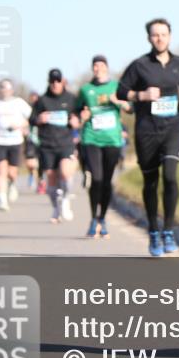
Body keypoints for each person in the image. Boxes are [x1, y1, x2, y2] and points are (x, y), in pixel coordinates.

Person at [117, 18, 179, 256]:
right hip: (146, 129)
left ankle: (168, 231)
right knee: (150, 181)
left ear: (170, 36)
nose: (159, 38)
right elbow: (121, 92)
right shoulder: (139, 65)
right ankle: (153, 230)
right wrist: (141, 95)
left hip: (173, 126)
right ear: (149, 38)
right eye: (155, 35)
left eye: (163, 34)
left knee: (170, 176)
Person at [76, 55, 130, 238]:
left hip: (113, 140)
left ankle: (102, 218)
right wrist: (80, 117)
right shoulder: (86, 89)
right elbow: (76, 113)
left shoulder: (116, 86)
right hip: (91, 139)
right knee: (97, 179)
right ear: (93, 69)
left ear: (107, 67)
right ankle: (93, 219)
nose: (98, 68)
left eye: (101, 65)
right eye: (95, 66)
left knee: (107, 181)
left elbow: (131, 108)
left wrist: (118, 101)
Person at [29, 69, 80, 224]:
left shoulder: (71, 98)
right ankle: (55, 207)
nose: (55, 84)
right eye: (52, 81)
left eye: (58, 81)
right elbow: (31, 120)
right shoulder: (42, 100)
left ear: (62, 81)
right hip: (47, 144)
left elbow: (80, 116)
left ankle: (65, 199)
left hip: (65, 142)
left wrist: (76, 122)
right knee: (51, 180)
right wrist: (39, 119)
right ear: (49, 82)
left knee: (65, 172)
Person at [0, 79, 31, 211]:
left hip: (15, 141)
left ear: (12, 90)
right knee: (1, 170)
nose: (4, 91)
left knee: (12, 172)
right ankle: (2, 200)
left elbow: (30, 119)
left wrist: (20, 125)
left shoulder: (19, 103)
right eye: (2, 88)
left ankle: (12, 184)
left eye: (7, 88)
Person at [23, 92, 40, 189]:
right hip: (30, 139)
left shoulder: (42, 108)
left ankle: (39, 182)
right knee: (30, 163)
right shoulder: (27, 109)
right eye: (32, 98)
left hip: (40, 138)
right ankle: (31, 174)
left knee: (39, 163)